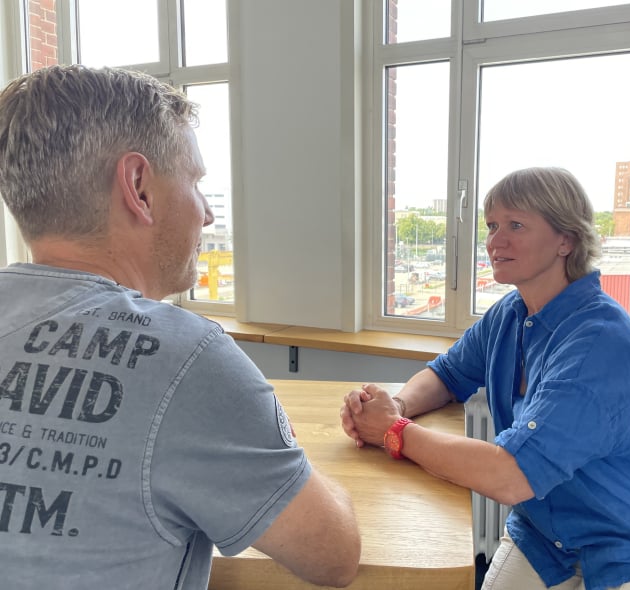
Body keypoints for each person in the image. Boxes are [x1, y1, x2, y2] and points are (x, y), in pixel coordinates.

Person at [0, 64, 360, 589]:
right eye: (195, 182)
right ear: (139, 188)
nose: (207, 214)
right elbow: (333, 555)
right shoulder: (186, 358)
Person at [341, 167, 630, 590]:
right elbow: (448, 374)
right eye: (492, 225)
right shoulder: (510, 314)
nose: (495, 241)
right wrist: (394, 406)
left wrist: (393, 431)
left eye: (516, 225)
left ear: (567, 240)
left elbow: (510, 476)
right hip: (549, 537)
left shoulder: (599, 342)